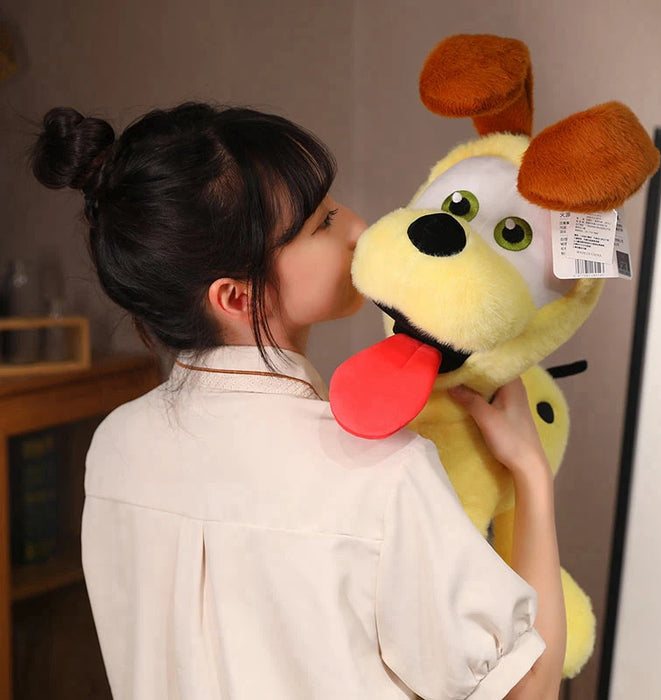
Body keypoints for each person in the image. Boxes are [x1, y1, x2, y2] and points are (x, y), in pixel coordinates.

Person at [31, 103, 565, 699]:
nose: (361, 227)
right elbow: (529, 691)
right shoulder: (382, 472)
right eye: (324, 221)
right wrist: (531, 474)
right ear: (235, 296)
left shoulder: (114, 446)